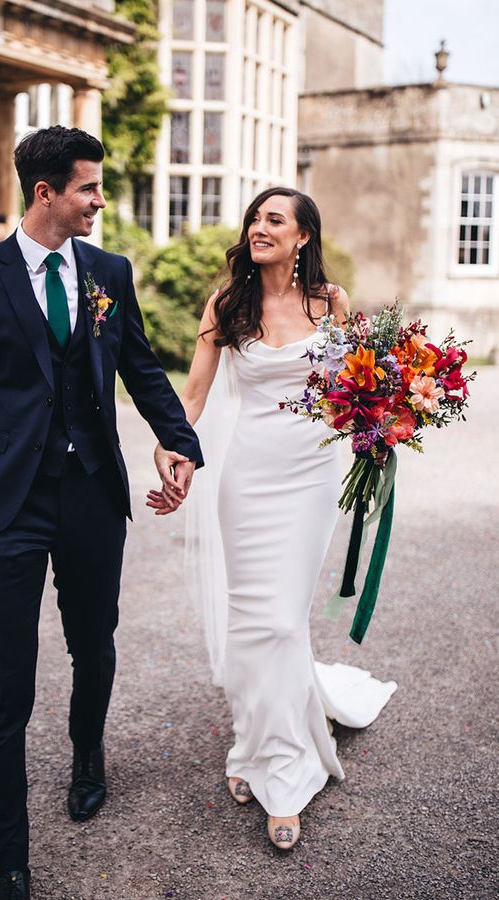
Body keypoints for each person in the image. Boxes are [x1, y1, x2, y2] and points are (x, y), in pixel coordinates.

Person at [0, 125, 202, 900]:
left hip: (90, 495)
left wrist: (179, 442)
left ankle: (88, 756)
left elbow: (142, 370)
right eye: (89, 187)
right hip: (5, 503)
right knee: (6, 681)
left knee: (94, 643)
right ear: (46, 192)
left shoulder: (108, 271)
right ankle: (8, 863)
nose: (99, 200)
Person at [148, 187, 396, 850]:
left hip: (311, 480)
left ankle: (285, 773)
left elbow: (366, 387)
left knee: (282, 620)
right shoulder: (227, 305)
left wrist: (384, 428)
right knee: (254, 622)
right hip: (248, 479)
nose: (259, 227)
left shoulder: (331, 305)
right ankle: (254, 748)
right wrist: (172, 447)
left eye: (274, 220)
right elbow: (193, 395)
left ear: (302, 238)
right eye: (255, 218)